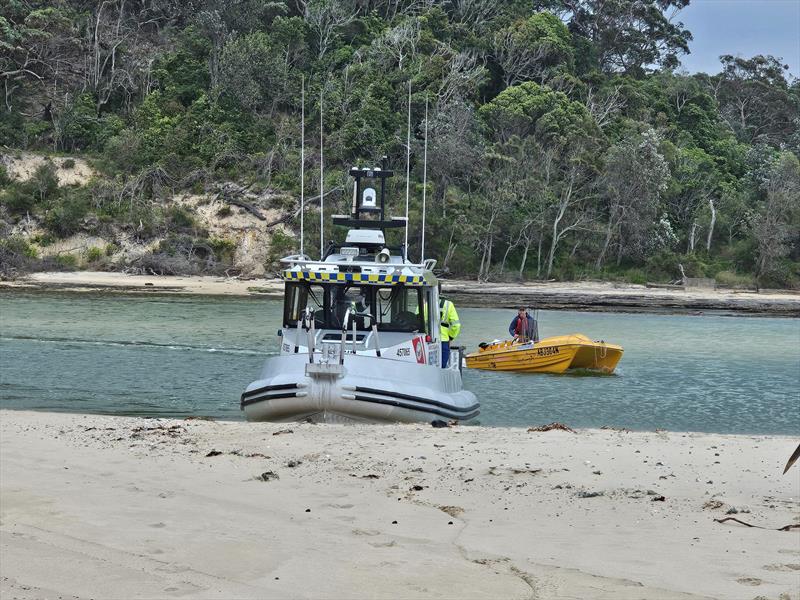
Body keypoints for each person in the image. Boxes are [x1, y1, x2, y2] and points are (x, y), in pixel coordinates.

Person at [439, 295, 461, 368]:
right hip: (443, 340)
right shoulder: (449, 304)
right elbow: (456, 325)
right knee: (442, 367)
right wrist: (451, 337)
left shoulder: (425, 303)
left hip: (426, 339)